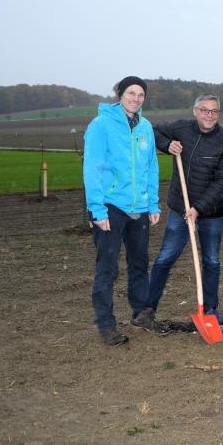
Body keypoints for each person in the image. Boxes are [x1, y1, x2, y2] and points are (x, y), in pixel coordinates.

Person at [83, 76, 163, 346]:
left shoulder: (146, 127)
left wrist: (152, 203)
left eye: (141, 94)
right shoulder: (101, 125)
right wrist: (97, 209)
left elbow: (151, 167)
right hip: (111, 206)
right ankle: (106, 325)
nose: (136, 98)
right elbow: (92, 168)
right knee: (107, 268)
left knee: (140, 264)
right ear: (120, 94)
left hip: (139, 208)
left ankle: (141, 314)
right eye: (131, 93)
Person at [148, 94, 223, 324]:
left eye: (214, 111)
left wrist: (198, 208)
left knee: (211, 261)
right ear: (195, 111)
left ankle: (210, 310)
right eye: (205, 110)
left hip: (212, 213)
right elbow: (154, 130)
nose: (209, 115)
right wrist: (167, 145)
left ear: (218, 114)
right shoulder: (181, 128)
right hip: (180, 208)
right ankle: (146, 307)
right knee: (166, 257)